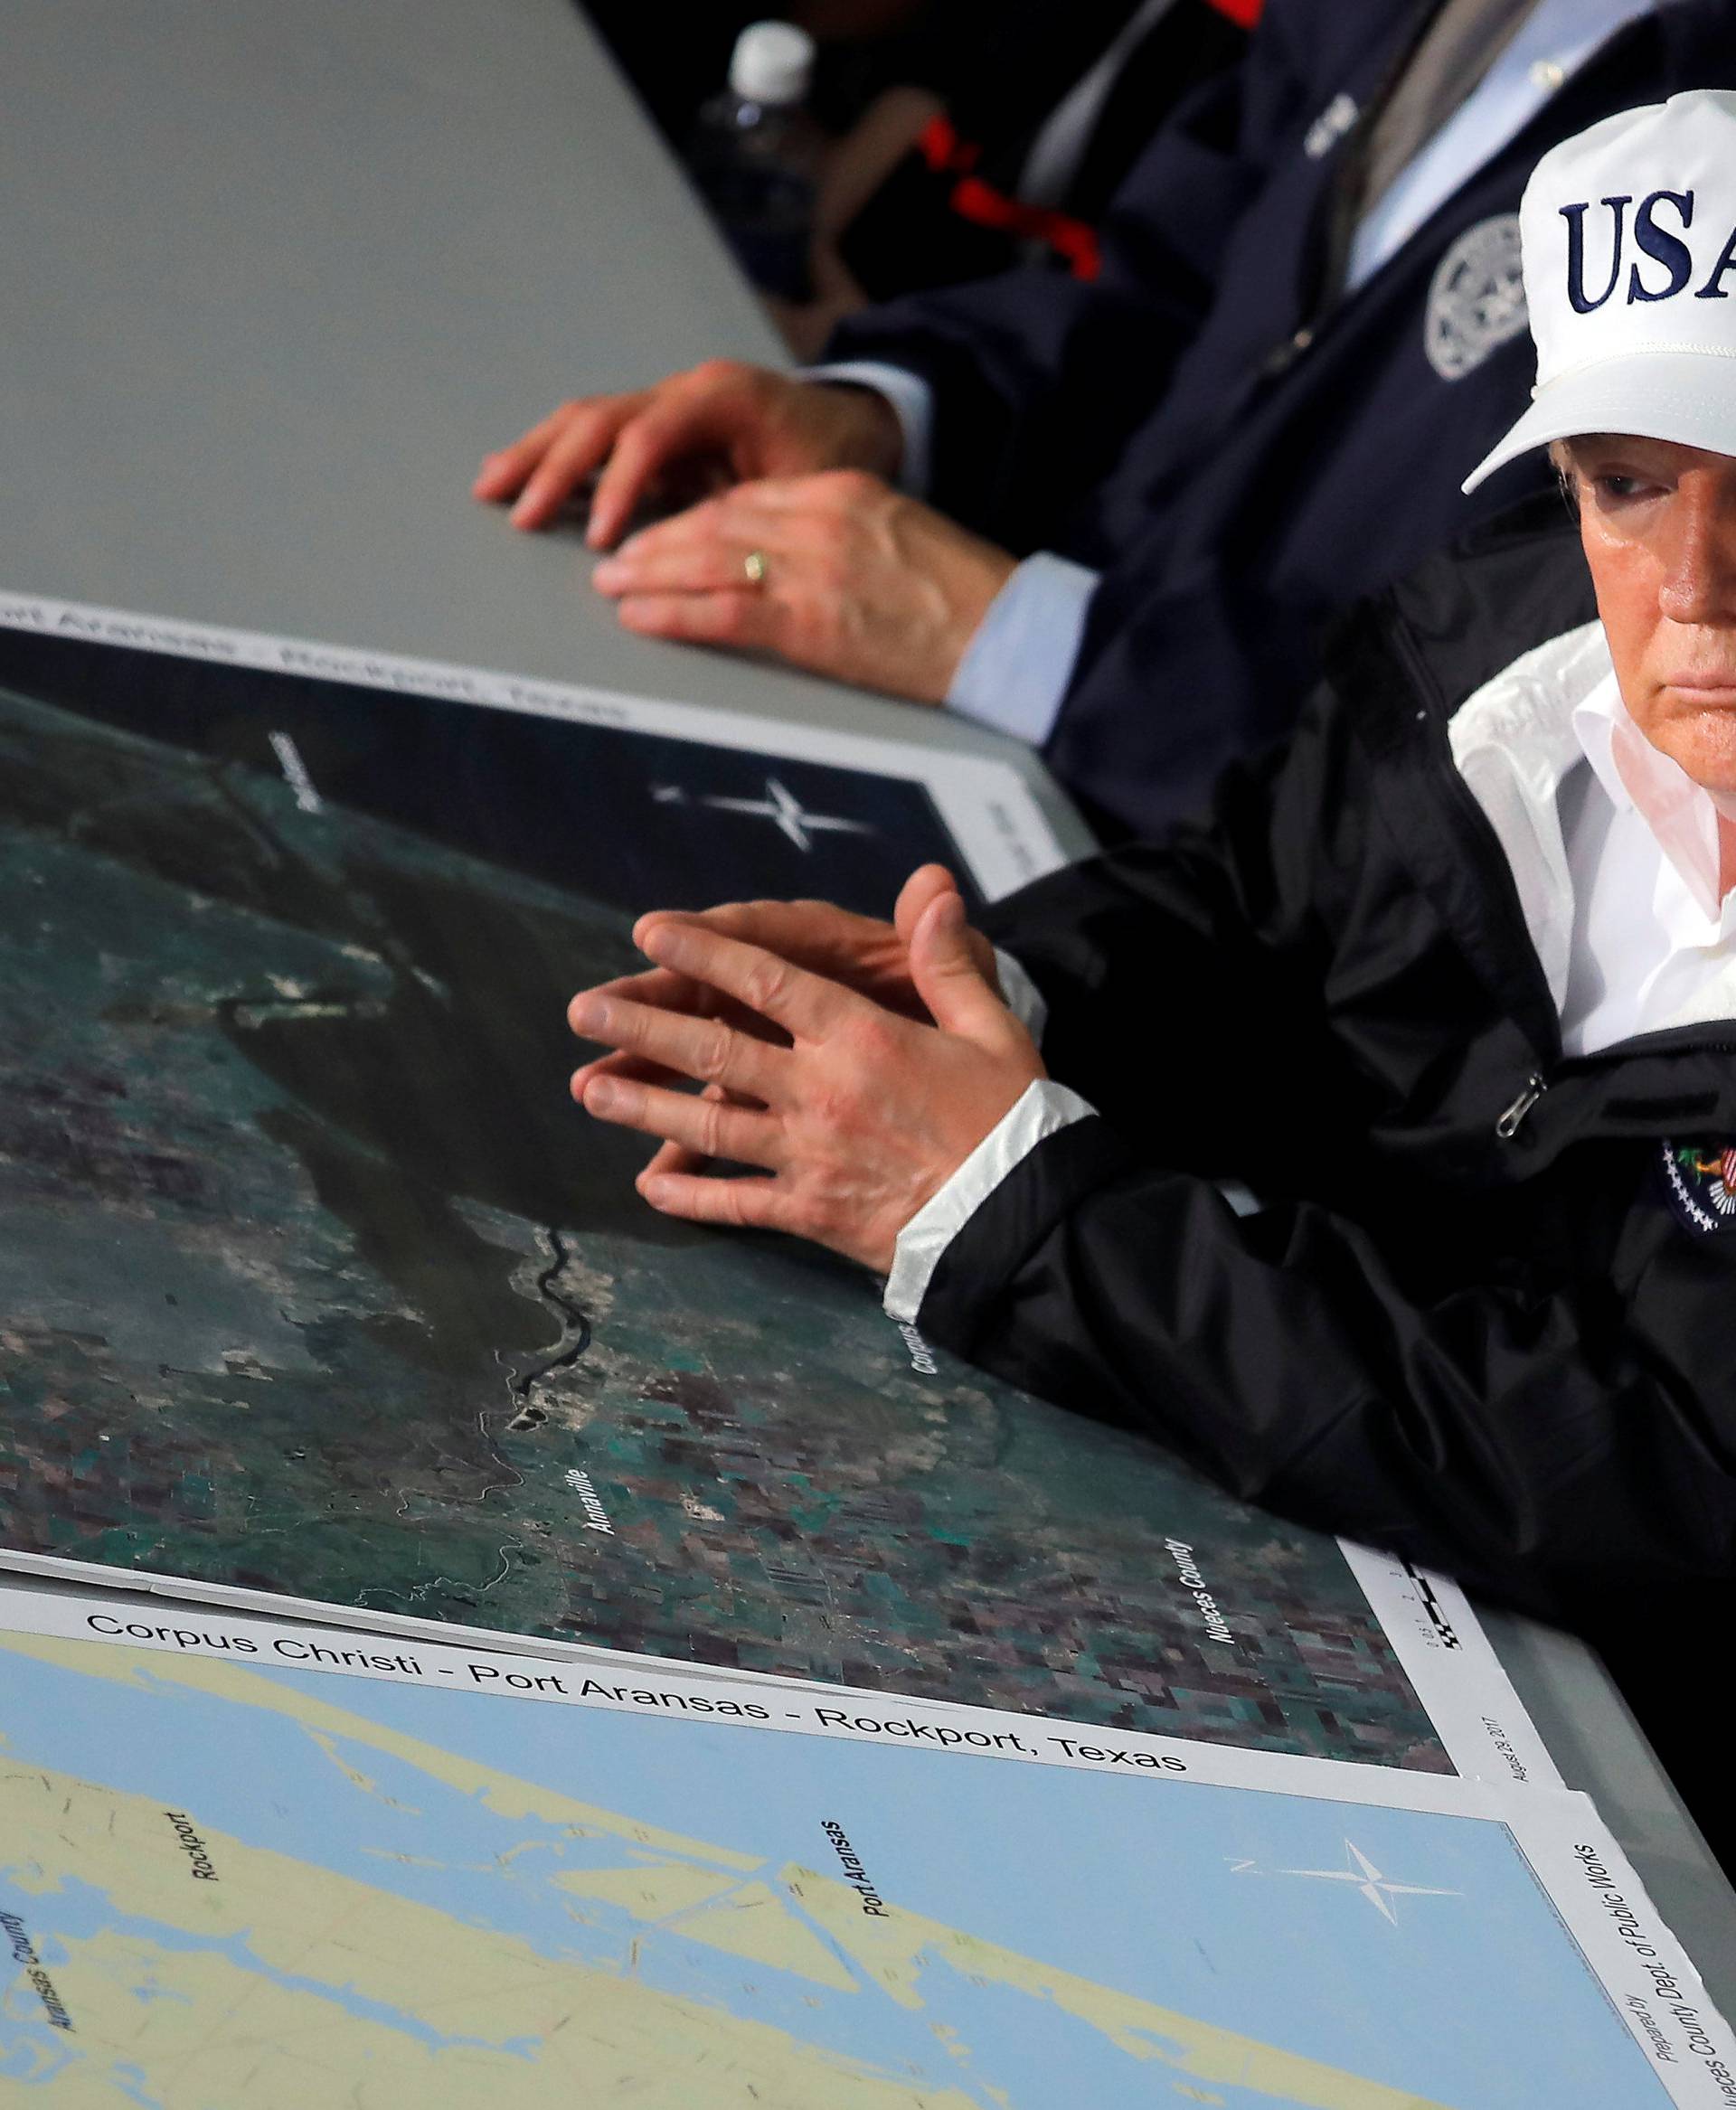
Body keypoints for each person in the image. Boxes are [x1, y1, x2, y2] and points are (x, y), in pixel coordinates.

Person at [563, 92, 1736, 1852]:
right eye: (1630, 481)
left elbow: (1652, 1483)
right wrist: (992, 1000)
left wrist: (1021, 1208)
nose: (1695, 590)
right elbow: (1271, 902)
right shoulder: (1505, 625)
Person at [480, 0, 1734, 837]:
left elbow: (1563, 767)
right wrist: (895, 414)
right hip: (1005, 749)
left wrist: (1023, 640)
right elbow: (1169, 290)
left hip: (1253, 958)